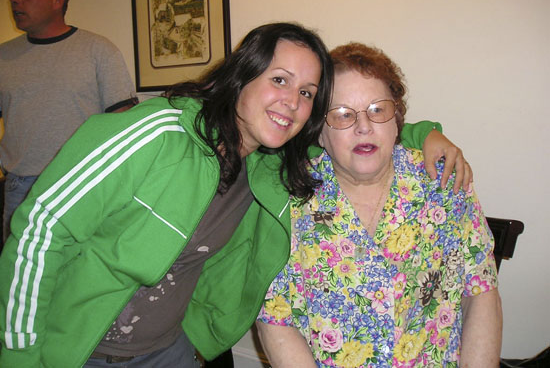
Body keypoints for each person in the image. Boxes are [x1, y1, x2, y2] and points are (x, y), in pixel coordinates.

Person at [0, 22, 467, 368]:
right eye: (279, 80)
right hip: (74, 349)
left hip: (170, 350)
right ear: (243, 75)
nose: (292, 102)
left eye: (307, 93)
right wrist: (20, 357)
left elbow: (360, 133)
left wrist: (426, 134)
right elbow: (39, 233)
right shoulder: (155, 134)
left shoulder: (269, 164)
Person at [257, 43, 502, 367]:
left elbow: (480, 291)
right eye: (343, 114)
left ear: (396, 121)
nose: (364, 126)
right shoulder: (289, 201)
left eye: (377, 110)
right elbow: (275, 316)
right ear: (319, 134)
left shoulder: (443, 184)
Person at [0, 0, 136, 243]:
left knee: (79, 267)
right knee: (19, 268)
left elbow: (125, 124)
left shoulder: (98, 50)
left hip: (81, 186)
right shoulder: (4, 57)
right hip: (20, 189)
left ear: (57, 0)